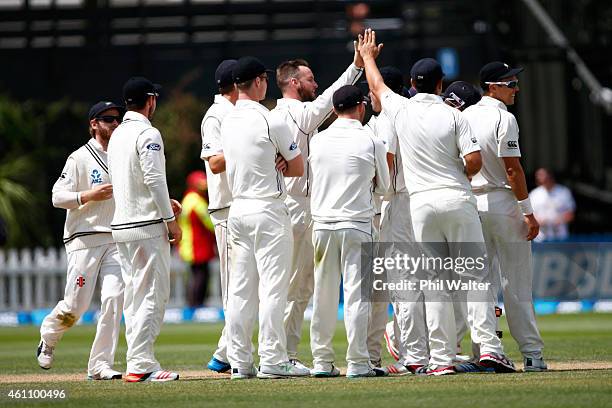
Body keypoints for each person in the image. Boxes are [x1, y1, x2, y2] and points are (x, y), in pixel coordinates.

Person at [359, 29, 516, 375]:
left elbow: (377, 87)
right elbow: (473, 160)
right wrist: (457, 172)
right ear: (441, 84)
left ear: (413, 85)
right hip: (457, 198)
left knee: (433, 284)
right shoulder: (454, 115)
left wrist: (369, 57)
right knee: (473, 278)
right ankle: (489, 348)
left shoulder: (401, 110)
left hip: (420, 205)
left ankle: (442, 359)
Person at [272, 48, 364, 369]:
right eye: (310, 79)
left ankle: (278, 353)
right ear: (294, 83)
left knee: (293, 285)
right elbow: (330, 99)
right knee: (297, 287)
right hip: (298, 207)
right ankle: (285, 356)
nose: (316, 83)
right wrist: (355, 65)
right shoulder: (297, 114)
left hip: (287, 205)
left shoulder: (271, 115)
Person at [220, 56, 309, 379]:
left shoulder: (227, 120)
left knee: (240, 291)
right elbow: (298, 168)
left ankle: (240, 363)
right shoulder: (270, 119)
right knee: (273, 289)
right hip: (268, 209)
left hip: (238, 209)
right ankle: (273, 359)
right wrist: (280, 162)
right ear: (258, 81)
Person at [462, 61, 547, 372]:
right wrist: (529, 213)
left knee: (478, 283)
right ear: (492, 87)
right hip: (502, 202)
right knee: (516, 284)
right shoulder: (503, 117)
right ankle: (532, 355)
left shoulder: (465, 115)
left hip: (472, 204)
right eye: (510, 84)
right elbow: (513, 169)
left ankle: (484, 351)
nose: (516, 89)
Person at [38, 101, 125, 380]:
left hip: (114, 237)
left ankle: (100, 365)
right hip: (84, 238)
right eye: (108, 119)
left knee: (114, 300)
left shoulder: (123, 154)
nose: (114, 123)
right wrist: (88, 195)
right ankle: (48, 337)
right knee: (76, 307)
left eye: (117, 119)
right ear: (94, 124)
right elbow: (56, 197)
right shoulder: (79, 158)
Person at [309, 85, 390, 378]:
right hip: (357, 223)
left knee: (324, 295)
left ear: (333, 110)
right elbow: (386, 188)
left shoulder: (317, 141)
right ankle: (357, 362)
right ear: (360, 107)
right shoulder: (371, 140)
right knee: (357, 295)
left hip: (322, 225)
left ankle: (321, 361)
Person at [107, 77, 182, 382]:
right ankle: (141, 363)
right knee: (153, 293)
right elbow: (154, 179)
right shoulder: (147, 132)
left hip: (123, 225)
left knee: (136, 297)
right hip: (146, 227)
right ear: (150, 100)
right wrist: (170, 219)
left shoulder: (117, 134)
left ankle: (136, 360)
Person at [200, 59, 239, 373]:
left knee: (246, 283)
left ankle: (225, 354)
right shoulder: (215, 116)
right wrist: (251, 148)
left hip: (243, 207)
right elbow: (214, 163)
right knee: (234, 287)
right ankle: (227, 354)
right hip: (226, 210)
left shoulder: (239, 114)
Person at [178, 170, 216, 307]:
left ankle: (193, 304)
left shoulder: (187, 199)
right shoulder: (196, 201)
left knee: (195, 274)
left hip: (190, 244)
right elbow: (210, 223)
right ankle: (196, 305)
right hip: (197, 244)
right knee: (201, 275)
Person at [530, 168, 576, 242]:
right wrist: (539, 221)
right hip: (540, 238)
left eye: (542, 175)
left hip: (560, 237)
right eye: (538, 176)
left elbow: (571, 214)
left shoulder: (564, 192)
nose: (540, 178)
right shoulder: (534, 194)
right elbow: (528, 215)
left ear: (550, 176)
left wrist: (557, 220)